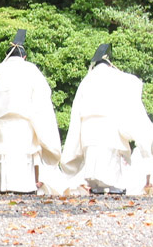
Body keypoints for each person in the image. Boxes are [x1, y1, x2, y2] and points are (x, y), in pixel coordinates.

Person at [0, 29, 62, 193]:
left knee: (4, 155)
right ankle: (24, 188)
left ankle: (3, 187)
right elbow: (41, 101)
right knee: (22, 155)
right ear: (24, 57)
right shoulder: (32, 70)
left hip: (0, 122)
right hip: (24, 122)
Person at [61, 44, 153, 194]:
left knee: (95, 176)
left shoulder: (86, 81)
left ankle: (97, 190)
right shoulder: (120, 79)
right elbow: (133, 105)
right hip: (110, 134)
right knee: (112, 176)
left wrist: (73, 152)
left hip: (88, 135)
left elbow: (75, 118)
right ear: (110, 62)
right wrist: (145, 144)